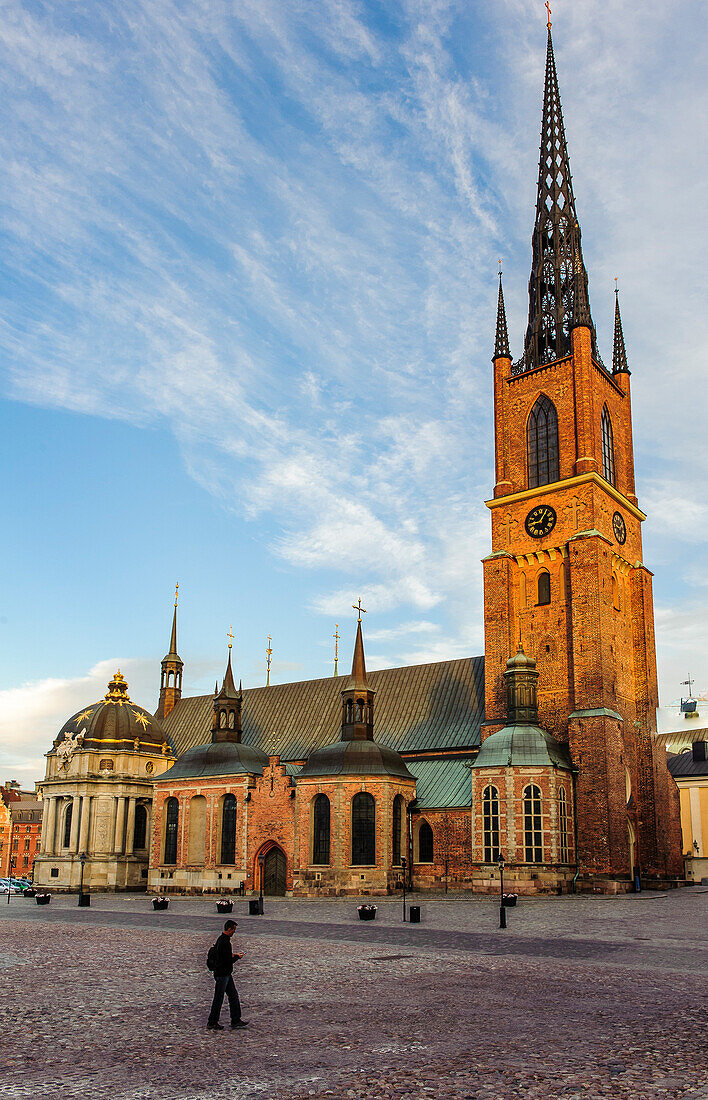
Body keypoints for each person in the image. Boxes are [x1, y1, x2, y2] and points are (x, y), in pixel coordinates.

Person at [207, 919, 248, 1031]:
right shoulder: (225, 942)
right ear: (229, 929)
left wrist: (233, 955)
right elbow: (226, 961)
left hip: (225, 974)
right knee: (219, 998)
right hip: (222, 974)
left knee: (233, 996)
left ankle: (235, 1019)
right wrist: (236, 957)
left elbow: (224, 955)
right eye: (233, 930)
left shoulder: (221, 940)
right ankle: (212, 1021)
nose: (234, 932)